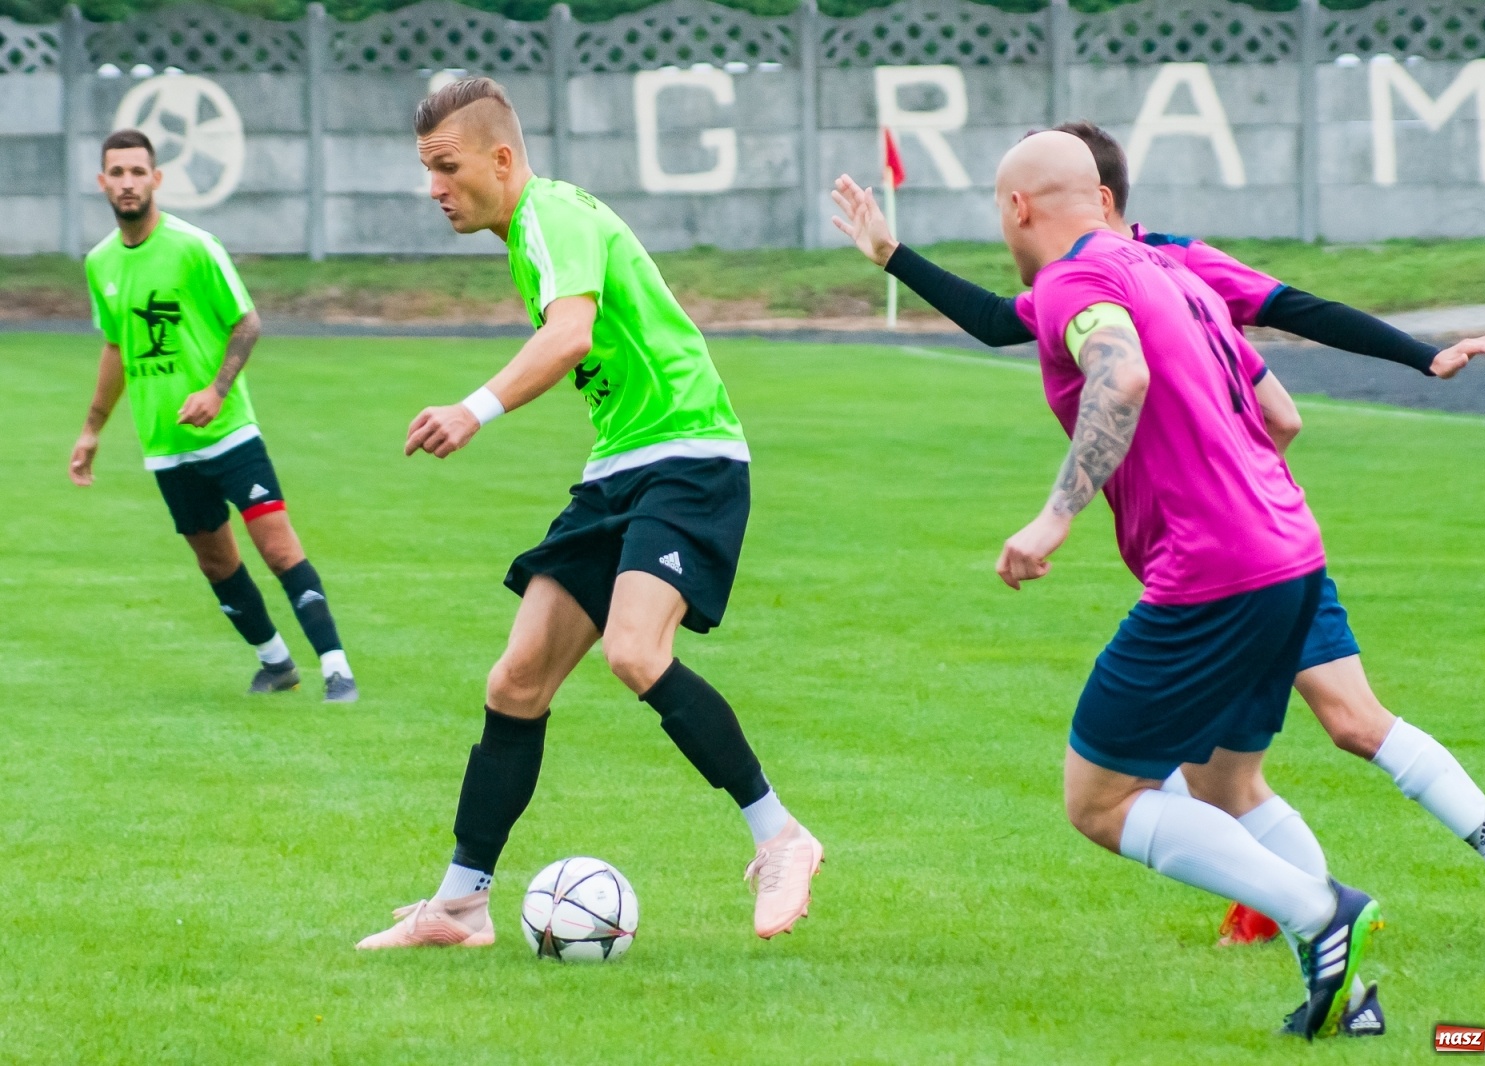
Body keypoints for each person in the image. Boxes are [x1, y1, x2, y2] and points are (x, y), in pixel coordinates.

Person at [828, 123, 1485, 960]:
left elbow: (1286, 310)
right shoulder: (1154, 271)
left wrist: (1411, 360)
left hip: (1226, 552)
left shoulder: (1137, 268)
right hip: (1279, 533)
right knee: (1232, 768)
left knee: (1316, 731)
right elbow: (1015, 323)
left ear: (1066, 202)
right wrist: (893, 254)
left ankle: (1330, 905)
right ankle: (1332, 903)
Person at [356, 78, 820, 949]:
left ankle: (780, 834)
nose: (435, 190)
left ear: (501, 157)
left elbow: (570, 335)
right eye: (428, 171)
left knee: (636, 651)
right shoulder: (525, 237)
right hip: (620, 470)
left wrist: (474, 409)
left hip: (690, 456)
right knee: (516, 681)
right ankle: (459, 905)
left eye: (447, 168)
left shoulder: (551, 216)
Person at [934, 130, 1378, 1038]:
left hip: (1212, 574)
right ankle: (1351, 995)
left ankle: (1322, 912)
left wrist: (1054, 518)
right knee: (1218, 784)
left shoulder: (1069, 280)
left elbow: (1122, 371)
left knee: (1099, 799)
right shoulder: (1174, 273)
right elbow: (1279, 414)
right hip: (1289, 551)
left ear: (1018, 208)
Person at [72, 129, 357, 702]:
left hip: (229, 434)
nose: (128, 182)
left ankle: (336, 668)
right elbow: (116, 349)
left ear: (157, 179)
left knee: (278, 549)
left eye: (137, 171)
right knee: (214, 562)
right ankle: (276, 664)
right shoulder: (99, 262)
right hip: (165, 445)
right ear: (102, 183)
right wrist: (93, 428)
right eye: (117, 173)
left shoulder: (194, 246)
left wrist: (216, 391)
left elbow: (247, 322)